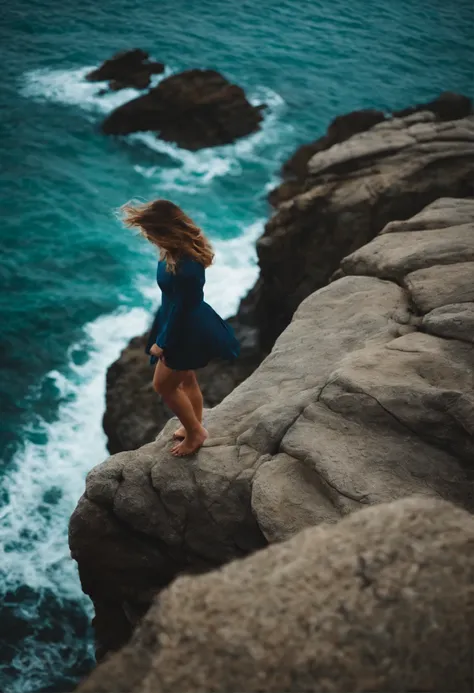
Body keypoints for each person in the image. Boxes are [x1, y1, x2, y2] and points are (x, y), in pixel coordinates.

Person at [121, 199, 240, 456]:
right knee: (187, 379)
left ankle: (196, 433)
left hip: (185, 329)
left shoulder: (186, 267)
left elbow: (182, 311)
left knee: (163, 386)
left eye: (152, 233)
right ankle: (193, 425)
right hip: (179, 320)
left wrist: (162, 342)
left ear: (166, 231)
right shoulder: (176, 251)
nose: (150, 239)